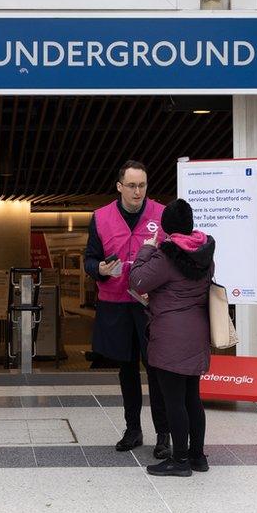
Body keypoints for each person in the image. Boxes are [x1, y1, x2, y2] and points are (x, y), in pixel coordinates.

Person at [83, 160, 171, 455]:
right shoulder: (100, 217)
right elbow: (89, 260)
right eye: (132, 186)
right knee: (127, 369)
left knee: (157, 369)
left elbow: (173, 255)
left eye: (142, 185)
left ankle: (163, 434)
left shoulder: (161, 214)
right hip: (116, 304)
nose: (137, 192)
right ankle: (133, 429)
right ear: (119, 186)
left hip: (150, 305)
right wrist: (101, 270)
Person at [129, 199, 214, 477]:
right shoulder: (205, 253)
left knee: (174, 401)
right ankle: (197, 457)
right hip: (196, 335)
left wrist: (147, 248)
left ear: (166, 227)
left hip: (170, 338)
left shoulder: (167, 255)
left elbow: (138, 280)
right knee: (193, 398)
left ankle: (179, 461)